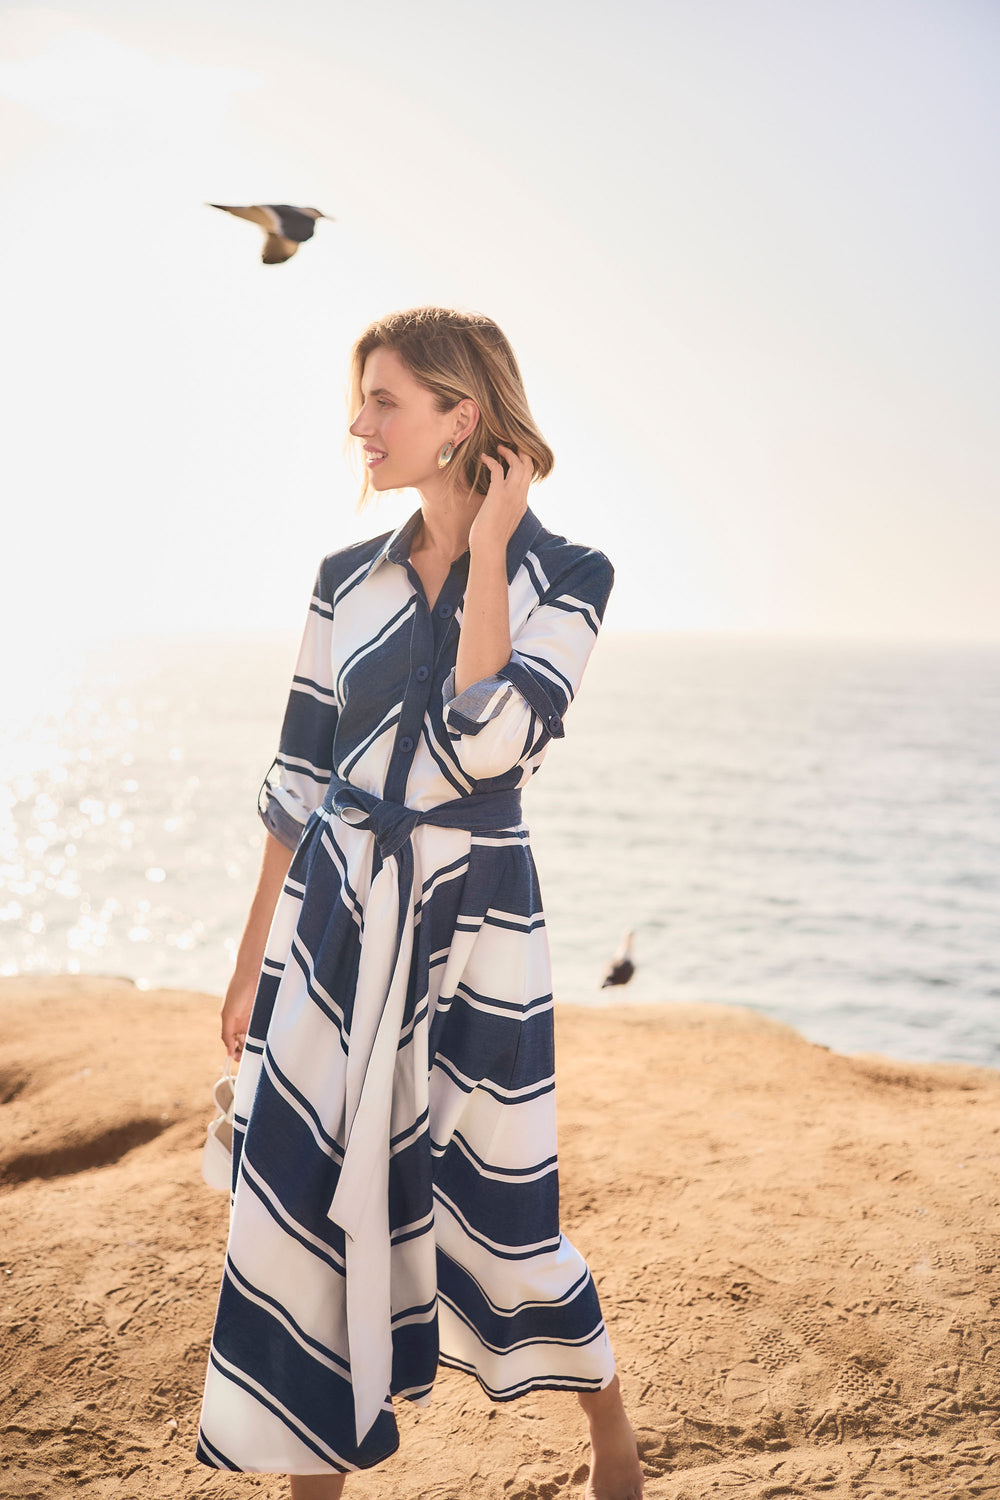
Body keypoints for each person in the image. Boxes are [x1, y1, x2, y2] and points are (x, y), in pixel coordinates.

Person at [197, 306, 644, 1500]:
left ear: (461, 417)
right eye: (361, 399)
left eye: (384, 400)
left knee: (500, 1214)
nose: (360, 424)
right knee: (305, 1200)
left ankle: (611, 1438)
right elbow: (296, 786)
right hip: (336, 921)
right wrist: (250, 966)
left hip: (478, 930)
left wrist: (489, 549)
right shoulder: (342, 582)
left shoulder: (570, 576)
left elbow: (488, 737)